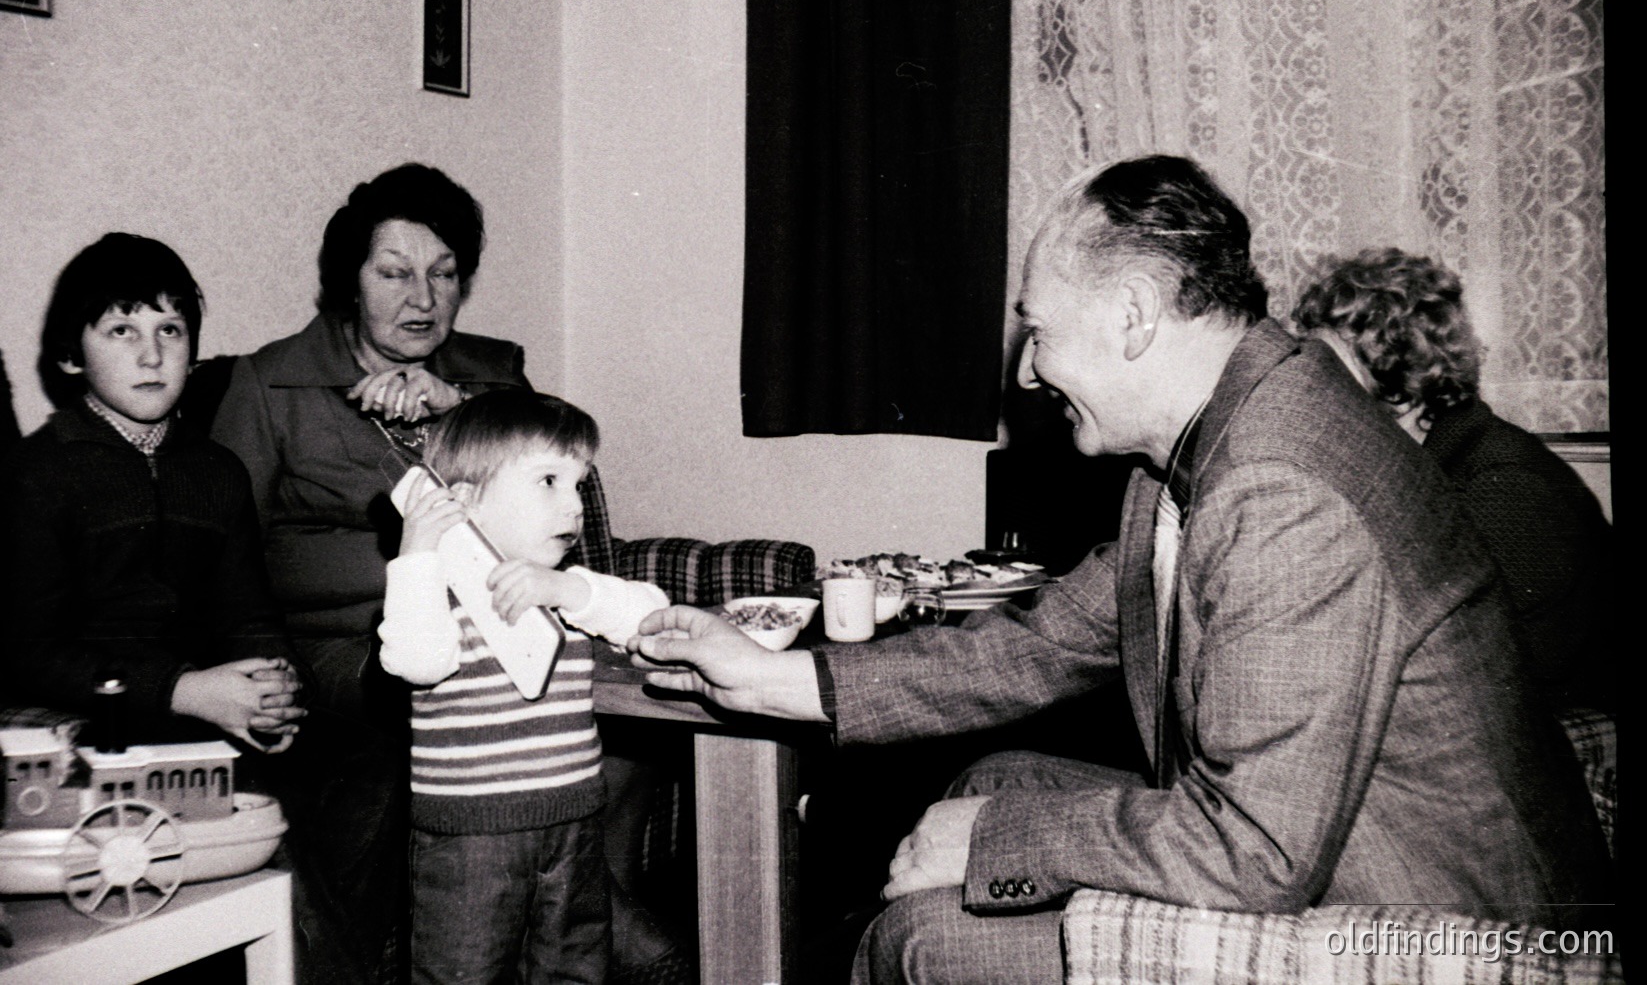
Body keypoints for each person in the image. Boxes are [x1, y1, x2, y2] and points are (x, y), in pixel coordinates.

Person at [627, 156, 1610, 983]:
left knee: (920, 937)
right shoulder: (1204, 439)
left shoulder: (1282, 486)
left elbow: (1254, 850)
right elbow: (1035, 646)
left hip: (1445, 929)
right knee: (989, 781)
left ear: (1134, 313)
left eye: (1039, 329)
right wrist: (767, 676)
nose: (1026, 371)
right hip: (1340, 851)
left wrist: (991, 843)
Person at [210, 163, 526, 984]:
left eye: (444, 274)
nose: (422, 298)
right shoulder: (270, 382)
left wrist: (460, 412)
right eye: (394, 273)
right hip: (339, 648)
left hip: (487, 627)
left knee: (603, 735)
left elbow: (545, 505)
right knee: (423, 709)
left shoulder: (491, 376)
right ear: (350, 281)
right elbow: (221, 553)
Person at [380, 389, 669, 984]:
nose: (574, 506)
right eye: (548, 482)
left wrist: (573, 591)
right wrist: (417, 557)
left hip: (574, 822)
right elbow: (416, 661)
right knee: (462, 972)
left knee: (576, 966)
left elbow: (650, 616)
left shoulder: (564, 589)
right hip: (471, 835)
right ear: (464, 503)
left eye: (579, 485)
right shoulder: (435, 594)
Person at [1, 233, 303, 749]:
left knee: (364, 761)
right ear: (72, 355)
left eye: (170, 330)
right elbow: (31, 653)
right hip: (88, 713)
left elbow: (248, 615)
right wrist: (181, 691)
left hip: (205, 705)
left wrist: (275, 684)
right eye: (122, 331)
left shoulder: (218, 471)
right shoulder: (36, 473)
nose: (152, 356)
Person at [1292, 248, 1614, 712]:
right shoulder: (1408, 462)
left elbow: (1478, 679)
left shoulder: (1507, 488)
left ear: (1402, 384)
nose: (1310, 390)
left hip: (1566, 728)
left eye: (1331, 374)